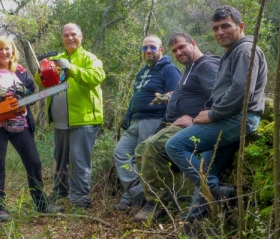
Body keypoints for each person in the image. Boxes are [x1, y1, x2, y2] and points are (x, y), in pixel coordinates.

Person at [165, 5, 267, 225]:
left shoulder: (245, 50)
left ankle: (217, 192)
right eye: (215, 28)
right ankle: (191, 222)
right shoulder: (232, 53)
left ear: (241, 26)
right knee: (206, 170)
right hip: (230, 118)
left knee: (174, 146)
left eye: (225, 26)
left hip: (237, 118)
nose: (220, 32)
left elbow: (241, 90)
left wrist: (213, 114)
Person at [132, 32, 230, 222]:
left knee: (152, 146)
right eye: (174, 50)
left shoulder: (205, 65)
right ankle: (164, 199)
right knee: (141, 149)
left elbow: (220, 99)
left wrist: (193, 120)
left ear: (193, 43)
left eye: (182, 47)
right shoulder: (191, 68)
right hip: (177, 124)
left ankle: (157, 205)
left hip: (197, 126)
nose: (178, 52)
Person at [0, 36, 63, 222]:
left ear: (12, 51)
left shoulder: (21, 71)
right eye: (0, 49)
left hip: (20, 121)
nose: (4, 52)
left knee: (33, 162)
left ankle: (42, 204)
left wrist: (23, 91)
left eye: (7, 49)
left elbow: (31, 90)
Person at [34, 23, 105, 208]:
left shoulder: (90, 58)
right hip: (60, 120)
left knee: (79, 161)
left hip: (83, 119)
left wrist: (71, 68)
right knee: (61, 160)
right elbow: (41, 82)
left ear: (81, 36)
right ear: (62, 38)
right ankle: (60, 192)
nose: (70, 38)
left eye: (73, 34)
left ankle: (80, 198)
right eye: (66, 35)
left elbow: (97, 77)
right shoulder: (56, 59)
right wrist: (41, 69)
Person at [113, 35, 181, 211]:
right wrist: (128, 115)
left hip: (154, 119)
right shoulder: (143, 71)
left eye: (152, 47)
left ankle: (148, 199)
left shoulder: (169, 70)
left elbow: (175, 97)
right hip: (136, 121)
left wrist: (166, 122)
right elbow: (137, 95)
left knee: (143, 158)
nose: (148, 51)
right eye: (145, 48)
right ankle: (137, 192)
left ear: (161, 50)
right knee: (121, 153)